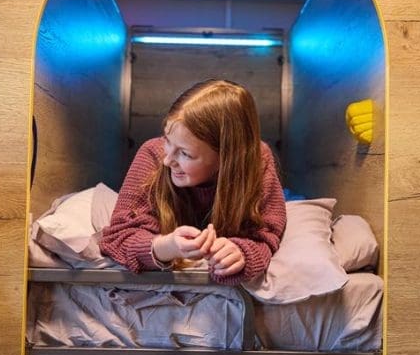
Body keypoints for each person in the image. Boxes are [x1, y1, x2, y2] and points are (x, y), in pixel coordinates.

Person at [100, 79, 287, 285]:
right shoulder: (152, 153)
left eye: (185, 154)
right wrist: (167, 246)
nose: (168, 160)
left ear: (225, 159)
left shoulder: (257, 160)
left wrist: (241, 253)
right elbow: (117, 237)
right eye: (167, 141)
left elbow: (267, 235)